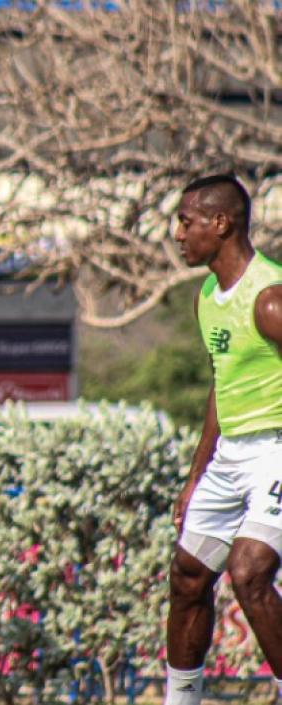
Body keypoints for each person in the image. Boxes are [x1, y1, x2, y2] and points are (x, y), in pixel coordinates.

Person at [166, 174, 282, 705]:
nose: (177, 234)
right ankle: (181, 698)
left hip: (276, 450)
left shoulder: (271, 300)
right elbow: (223, 386)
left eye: (185, 222)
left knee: (249, 571)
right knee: (188, 576)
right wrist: (195, 479)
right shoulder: (209, 296)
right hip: (230, 455)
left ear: (221, 223)